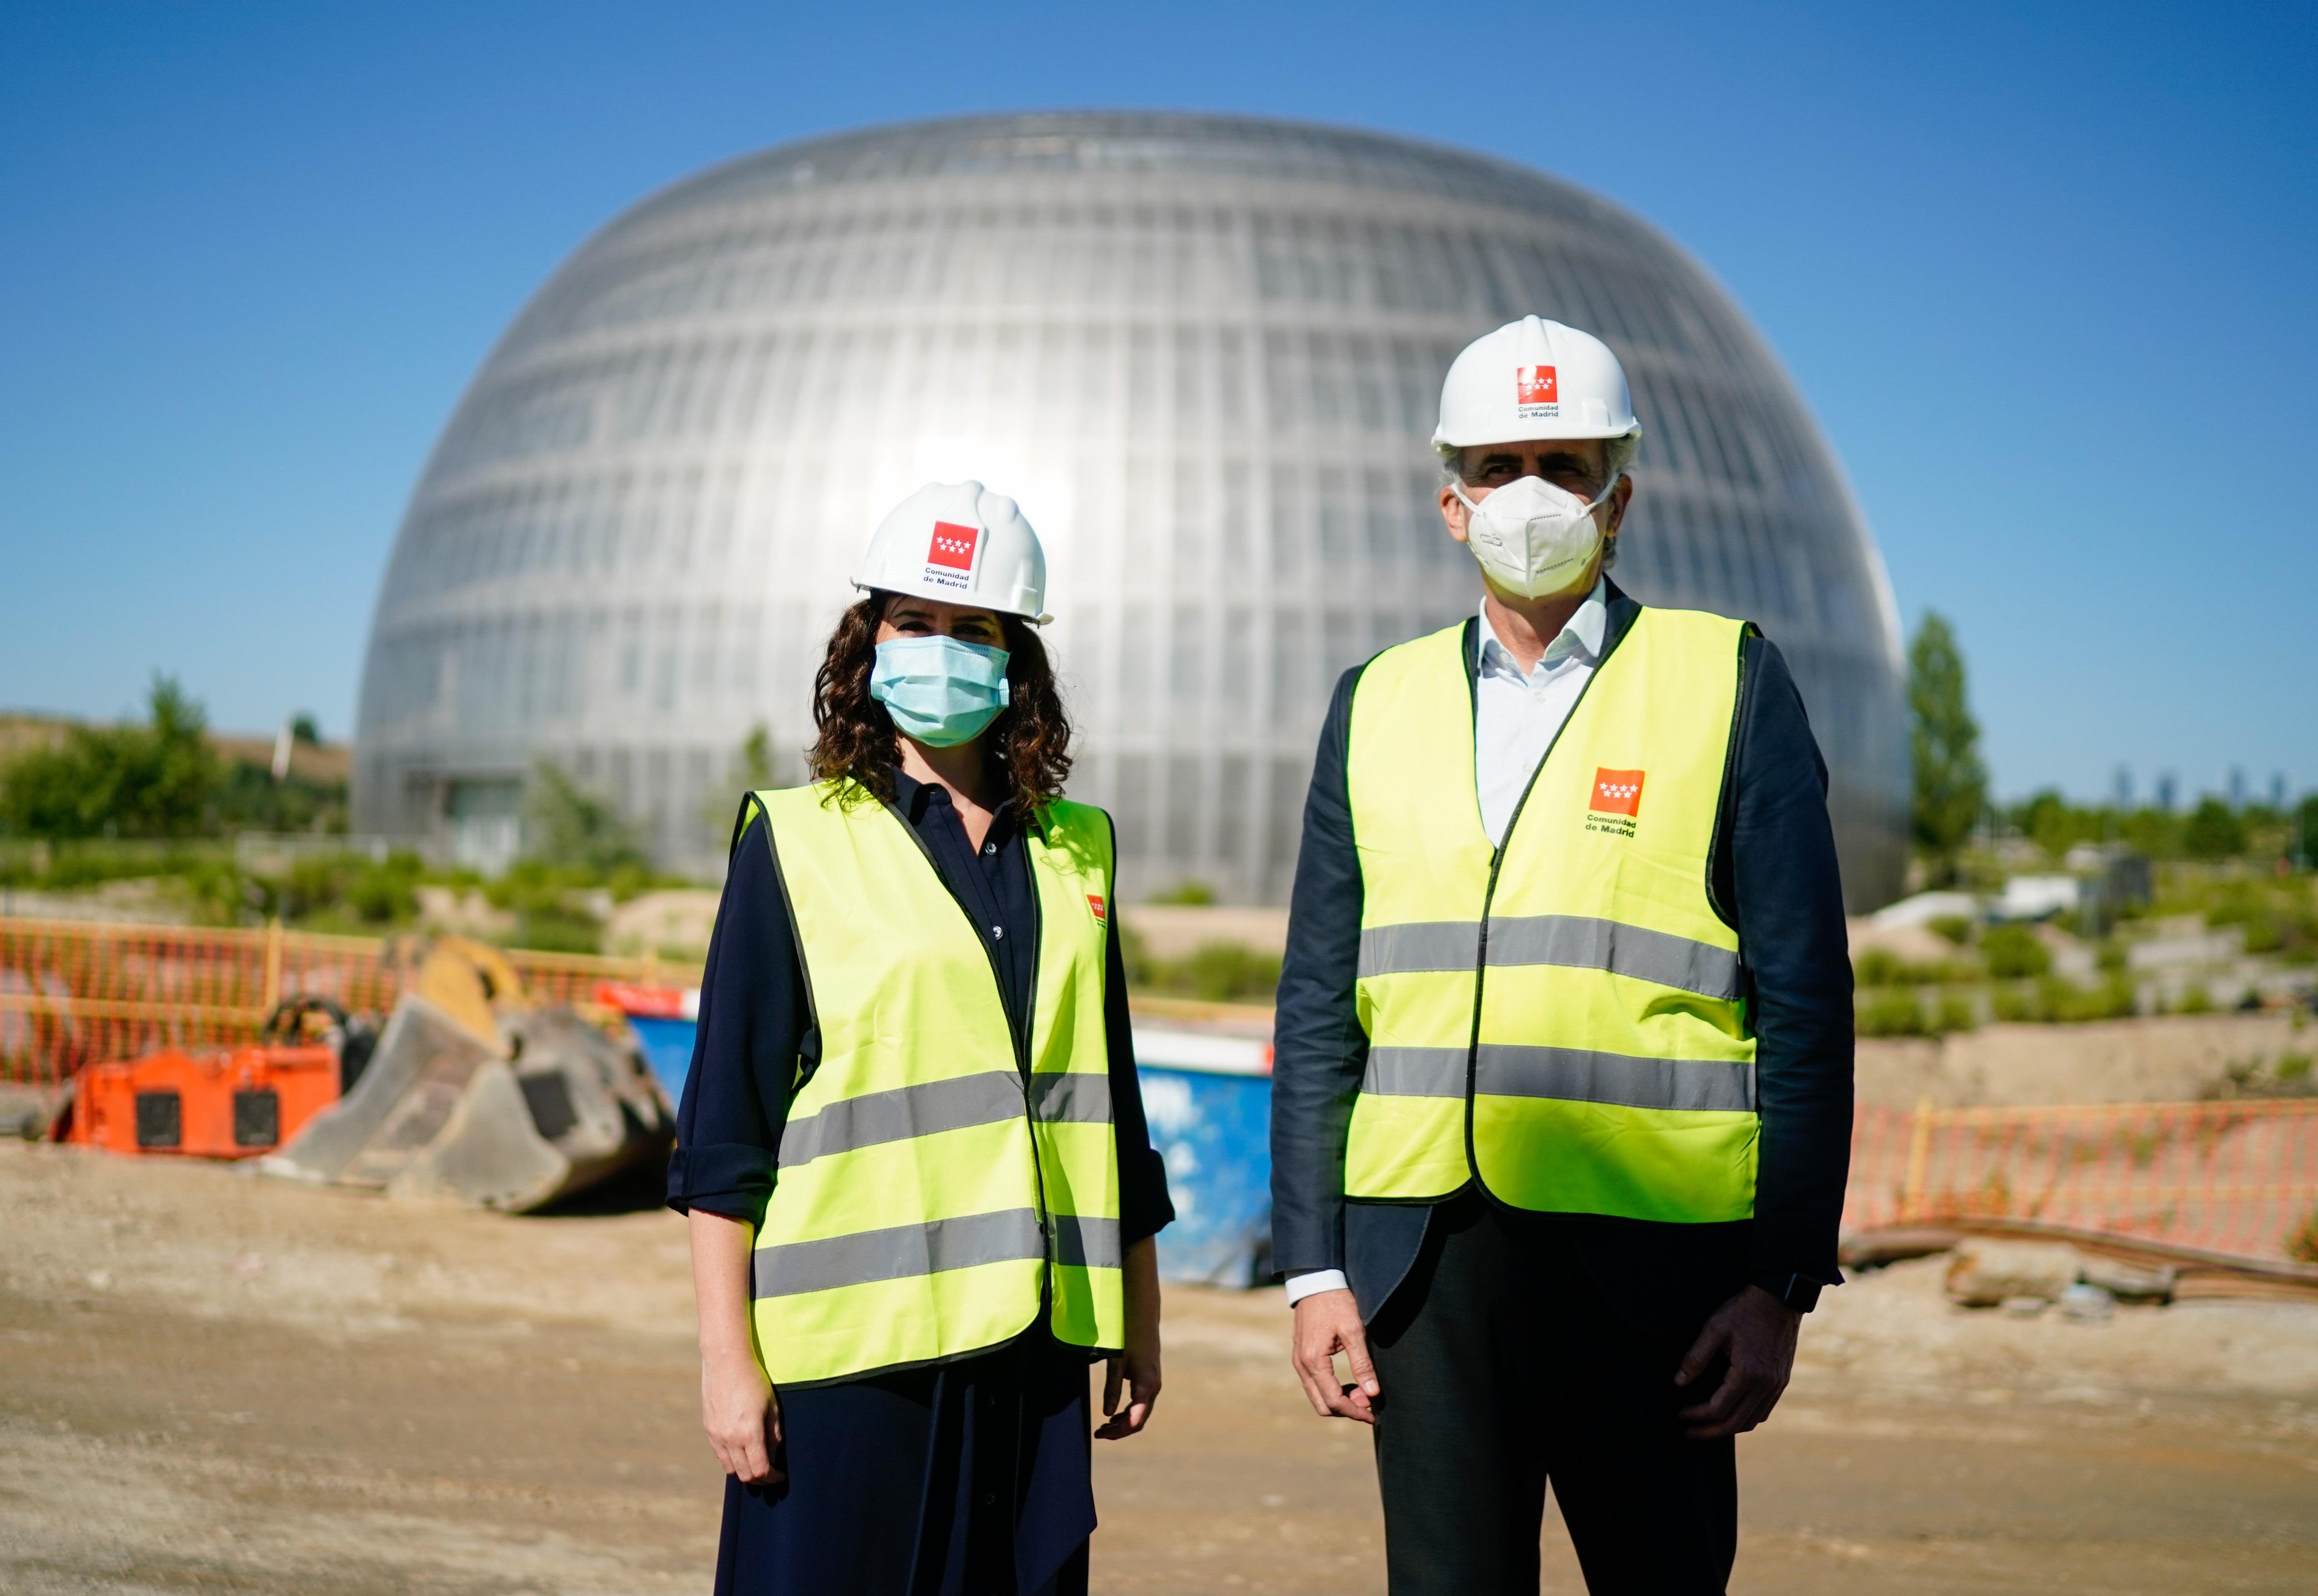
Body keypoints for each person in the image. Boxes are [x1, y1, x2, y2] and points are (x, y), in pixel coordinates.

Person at [1269, 317, 1854, 1595]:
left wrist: (1779, 1283)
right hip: (1423, 1269)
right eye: (1498, 466)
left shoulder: (1728, 681)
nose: (1529, 494)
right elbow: (1320, 1003)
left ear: (1619, 495)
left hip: (1655, 1279)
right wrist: (1314, 1265)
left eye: (1565, 464)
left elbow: (1807, 1002)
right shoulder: (1375, 700)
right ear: (1449, 501)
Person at [669, 480, 1174, 1596]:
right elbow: (723, 1135)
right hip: (853, 1360)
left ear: (1017, 661)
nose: (939, 650)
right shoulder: (794, 844)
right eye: (913, 623)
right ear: (868, 644)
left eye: (972, 629)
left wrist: (1138, 1312)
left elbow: (1110, 1102)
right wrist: (725, 1360)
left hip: (1034, 1348)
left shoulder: (1077, 851)